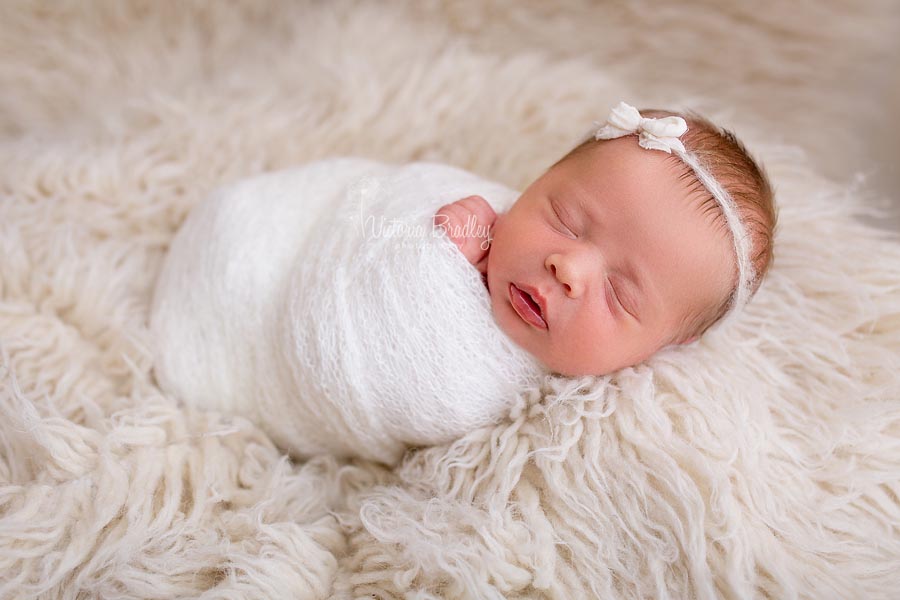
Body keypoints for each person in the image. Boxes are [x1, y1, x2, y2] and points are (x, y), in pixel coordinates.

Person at [434, 102, 777, 376]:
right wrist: (449, 261)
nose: (568, 269)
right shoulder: (473, 218)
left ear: (664, 347)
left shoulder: (587, 419)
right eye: (565, 221)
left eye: (618, 296)